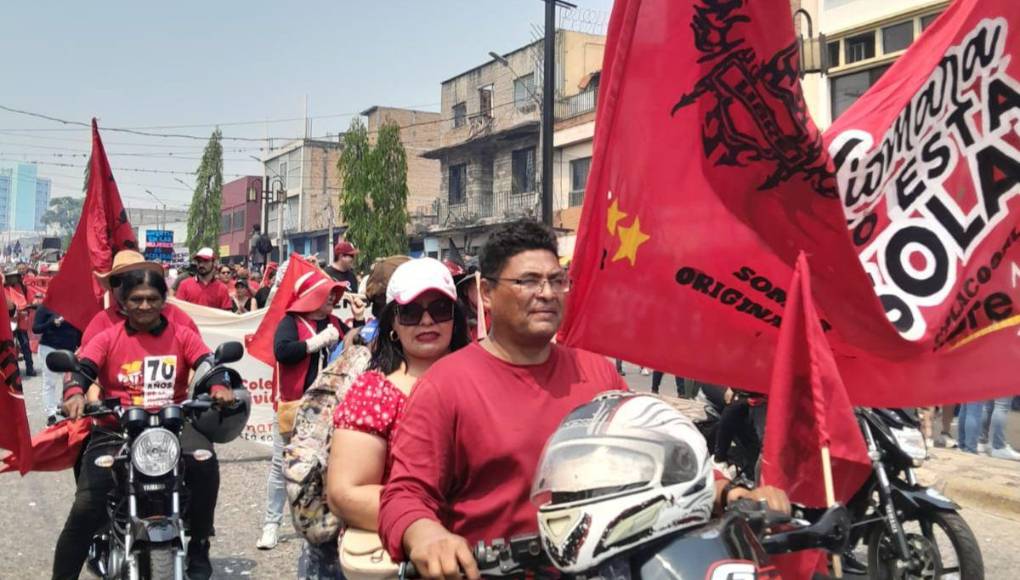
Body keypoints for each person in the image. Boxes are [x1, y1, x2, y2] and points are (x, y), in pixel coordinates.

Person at [377, 219, 794, 578]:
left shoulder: (597, 371)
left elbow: (657, 452)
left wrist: (727, 493)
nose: (547, 292)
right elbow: (404, 496)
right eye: (527, 281)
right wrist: (427, 535)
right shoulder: (446, 385)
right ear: (485, 294)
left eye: (557, 280)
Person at [53, 269, 234, 580]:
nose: (145, 306)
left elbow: (208, 363)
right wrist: (74, 393)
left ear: (164, 301)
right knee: (86, 505)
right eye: (137, 299)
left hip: (172, 425)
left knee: (205, 462)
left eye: (152, 299)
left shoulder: (181, 334)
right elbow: (82, 369)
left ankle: (200, 543)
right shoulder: (108, 337)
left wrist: (218, 387)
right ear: (123, 301)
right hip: (115, 427)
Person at [326, 258, 469, 533]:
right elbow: (346, 493)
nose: (427, 320)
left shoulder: (484, 376)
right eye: (412, 312)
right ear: (393, 321)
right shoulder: (374, 394)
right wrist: (430, 527)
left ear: (455, 316)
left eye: (440, 309)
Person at [256, 270, 365, 551]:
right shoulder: (290, 323)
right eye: (327, 294)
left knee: (325, 466)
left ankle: (319, 521)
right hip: (293, 406)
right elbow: (282, 351)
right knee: (282, 468)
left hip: (327, 409)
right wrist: (315, 343)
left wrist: (359, 319)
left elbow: (359, 345)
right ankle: (271, 523)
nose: (333, 299)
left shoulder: (334, 322)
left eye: (334, 295)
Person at [81, 250, 200, 345]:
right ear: (111, 287)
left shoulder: (176, 317)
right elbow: (86, 368)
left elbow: (199, 363)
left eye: (131, 279)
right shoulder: (101, 322)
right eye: (116, 280)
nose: (125, 286)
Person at [32, 304, 82, 425]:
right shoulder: (45, 307)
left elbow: (80, 328)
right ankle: (51, 415)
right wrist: (51, 323)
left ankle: (66, 409)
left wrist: (81, 346)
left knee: (71, 382)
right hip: (49, 348)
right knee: (50, 382)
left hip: (70, 351)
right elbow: (36, 328)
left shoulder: (75, 307)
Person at [4, 269, 36, 376]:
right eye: (10, 276)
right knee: (8, 347)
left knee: (25, 344)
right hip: (9, 322)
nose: (12, 278)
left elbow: (31, 301)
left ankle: (30, 367)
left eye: (14, 276)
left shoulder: (23, 288)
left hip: (22, 321)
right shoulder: (4, 289)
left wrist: (31, 305)